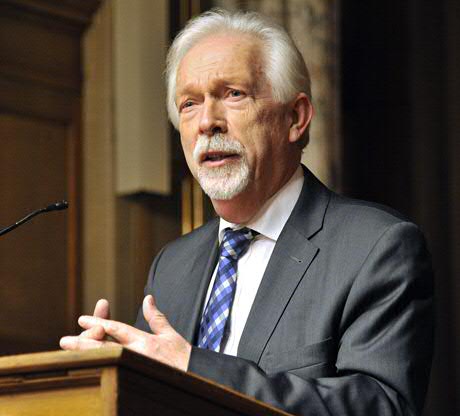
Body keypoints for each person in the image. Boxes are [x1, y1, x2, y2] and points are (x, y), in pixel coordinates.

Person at [60, 9, 434, 416]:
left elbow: (381, 407)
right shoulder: (173, 265)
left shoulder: (375, 247)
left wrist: (194, 368)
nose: (207, 122)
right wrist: (115, 377)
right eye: (189, 104)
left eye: (233, 94)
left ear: (295, 118)